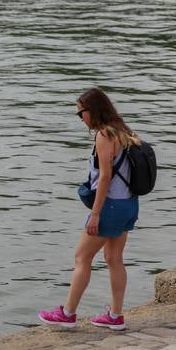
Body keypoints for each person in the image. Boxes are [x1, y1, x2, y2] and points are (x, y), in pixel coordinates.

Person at [38, 88, 141, 330]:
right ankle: (115, 317)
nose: (80, 119)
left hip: (111, 206)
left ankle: (67, 313)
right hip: (129, 204)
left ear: (92, 111)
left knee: (82, 257)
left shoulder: (104, 135)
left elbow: (105, 177)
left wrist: (95, 214)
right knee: (114, 258)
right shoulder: (125, 131)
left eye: (80, 113)